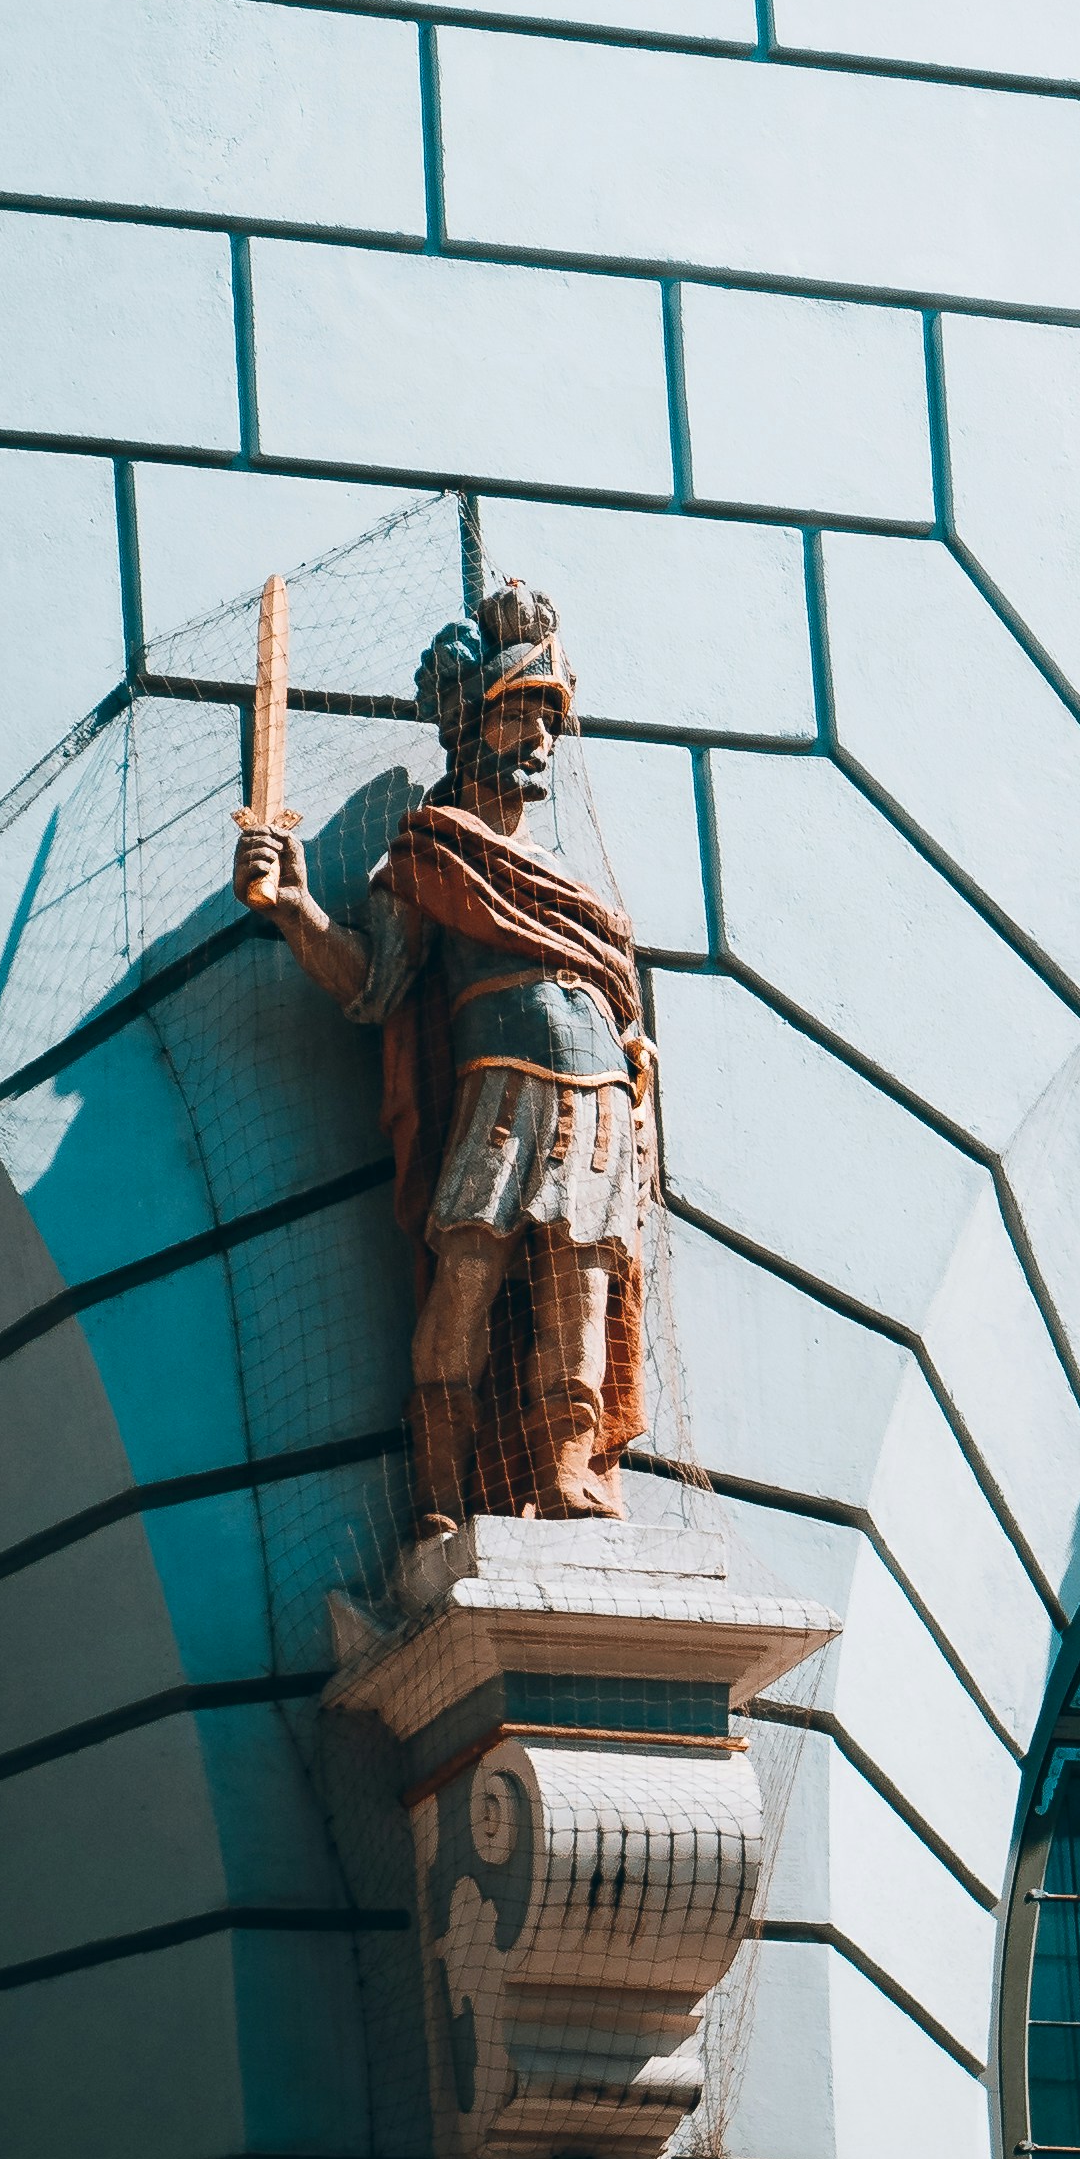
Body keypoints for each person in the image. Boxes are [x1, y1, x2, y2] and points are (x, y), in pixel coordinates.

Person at [238, 578, 654, 1528]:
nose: (542, 742)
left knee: (578, 1293)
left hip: (597, 1106)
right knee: (467, 1274)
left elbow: (618, 1008)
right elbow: (375, 982)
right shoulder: (431, 856)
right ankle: (437, 1486)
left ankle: (565, 1470)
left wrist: (634, 1074)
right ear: (470, 723)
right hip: (500, 1097)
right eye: (521, 716)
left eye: (550, 718)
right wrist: (295, 910)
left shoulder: (570, 882)